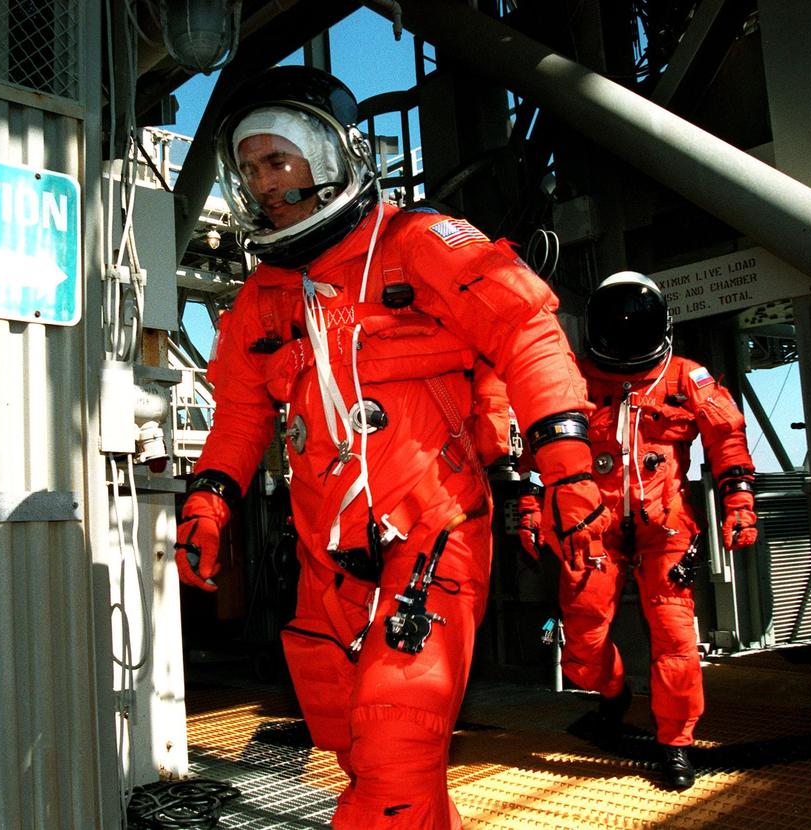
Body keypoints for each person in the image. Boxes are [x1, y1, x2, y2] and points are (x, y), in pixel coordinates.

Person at [173, 65, 608, 829]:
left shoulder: (420, 245)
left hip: (433, 538)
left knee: (391, 756)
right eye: (249, 170)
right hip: (322, 564)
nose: (263, 184)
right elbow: (241, 413)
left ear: (332, 158)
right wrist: (209, 503)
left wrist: (566, 471)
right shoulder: (265, 297)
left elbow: (527, 335)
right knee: (364, 752)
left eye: (278, 161)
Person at [518, 271, 759, 790]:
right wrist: (531, 506)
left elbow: (727, 439)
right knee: (582, 640)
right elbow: (536, 450)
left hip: (665, 529)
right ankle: (612, 692)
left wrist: (739, 500)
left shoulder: (686, 379)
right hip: (591, 527)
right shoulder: (573, 381)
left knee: (674, 636)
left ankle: (675, 742)